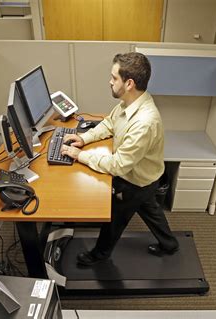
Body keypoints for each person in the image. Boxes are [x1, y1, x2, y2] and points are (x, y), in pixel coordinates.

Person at [61, 52, 179, 266]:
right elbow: (108, 124)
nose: (110, 82)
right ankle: (169, 244)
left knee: (114, 218)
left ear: (129, 83)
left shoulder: (144, 122)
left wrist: (80, 156)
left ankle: (99, 255)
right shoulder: (128, 103)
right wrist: (83, 138)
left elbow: (118, 165)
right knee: (150, 209)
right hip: (147, 176)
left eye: (114, 78)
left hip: (136, 181)